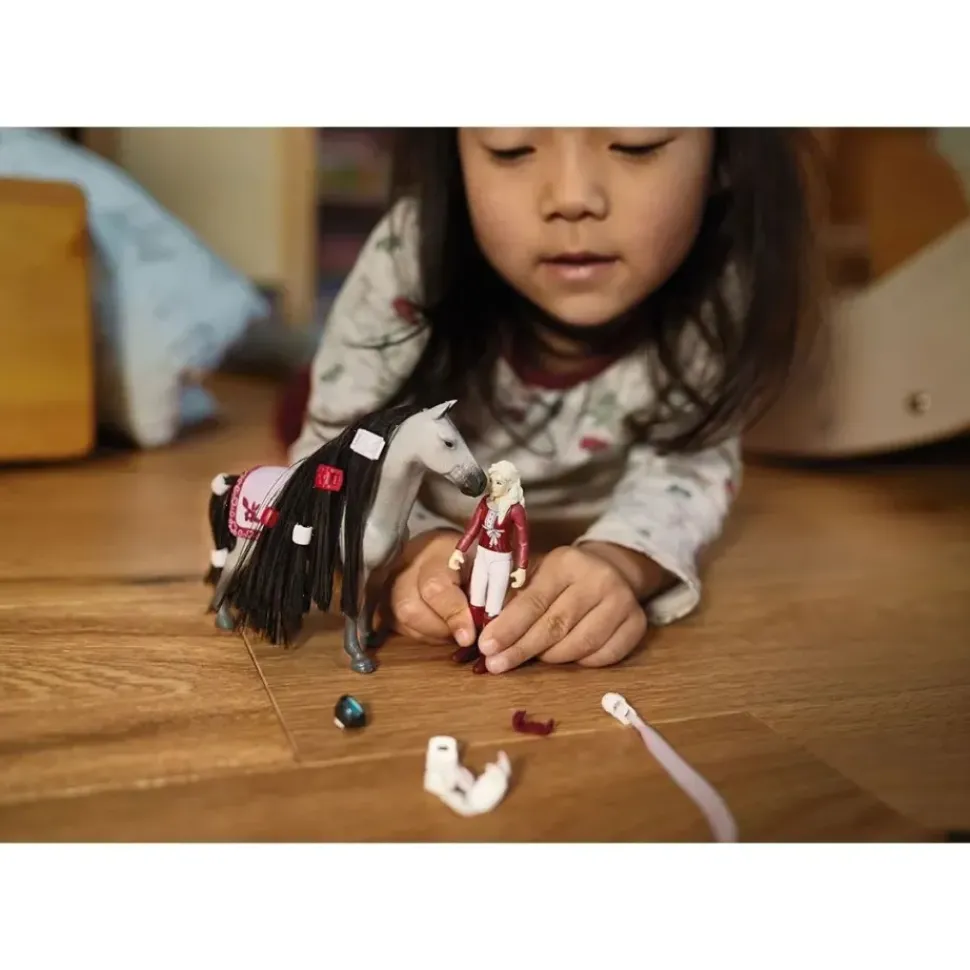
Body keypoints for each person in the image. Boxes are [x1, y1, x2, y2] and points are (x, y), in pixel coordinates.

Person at [289, 128, 817, 674]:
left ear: (725, 155)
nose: (571, 197)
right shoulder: (411, 250)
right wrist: (412, 547)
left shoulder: (724, 276)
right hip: (408, 450)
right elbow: (333, 455)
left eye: (637, 143)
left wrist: (622, 561)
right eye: (511, 148)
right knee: (304, 405)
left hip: (573, 506)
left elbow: (690, 464)